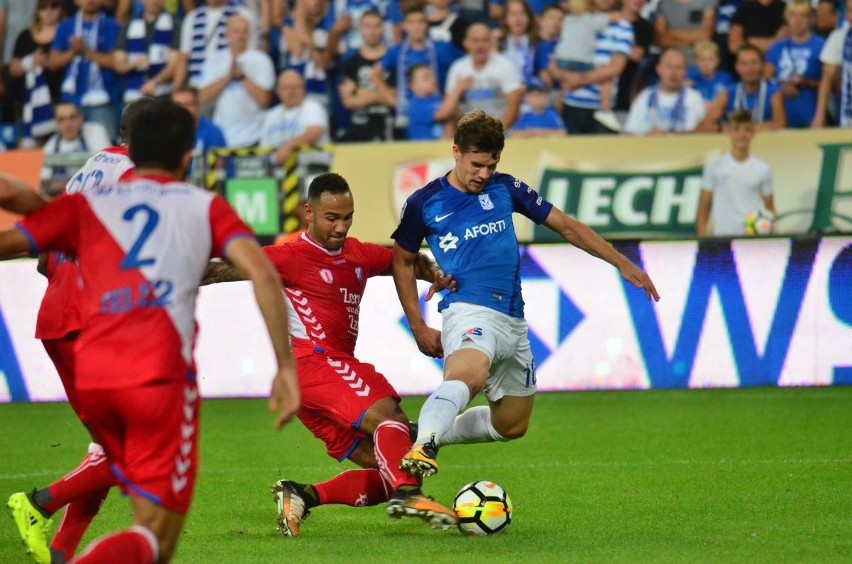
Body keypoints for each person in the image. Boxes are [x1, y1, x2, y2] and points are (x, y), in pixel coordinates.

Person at [0, 97, 299, 563]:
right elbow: (260, 272)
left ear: (128, 144)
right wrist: (285, 366)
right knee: (155, 535)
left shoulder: (87, 199)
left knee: (117, 469)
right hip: (156, 377)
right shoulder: (201, 205)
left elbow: (30, 245)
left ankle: (59, 543)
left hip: (91, 366)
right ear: (186, 156)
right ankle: (45, 507)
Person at [390, 109, 659, 479]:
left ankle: (423, 433)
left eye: (491, 164)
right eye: (477, 164)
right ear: (456, 152)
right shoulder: (425, 203)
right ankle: (425, 447)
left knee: (511, 425)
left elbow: (565, 226)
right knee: (468, 374)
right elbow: (401, 262)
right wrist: (418, 325)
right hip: (469, 310)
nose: (483, 174)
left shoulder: (505, 187)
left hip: (514, 320)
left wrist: (620, 262)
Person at [202, 172, 459, 535]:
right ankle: (408, 495)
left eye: (348, 217)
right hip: (318, 364)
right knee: (391, 418)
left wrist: (434, 270)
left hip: (317, 385)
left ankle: (303, 495)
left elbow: (408, 261)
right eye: (331, 218)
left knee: (396, 462)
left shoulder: (358, 253)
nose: (341, 227)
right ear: (309, 212)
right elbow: (220, 269)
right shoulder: (290, 256)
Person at [7, 97, 146, 564]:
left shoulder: (88, 169)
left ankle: (63, 552)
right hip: (92, 321)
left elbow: (46, 255)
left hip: (59, 316)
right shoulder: (135, 178)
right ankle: (38, 502)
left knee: (110, 448)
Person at [47, 0, 121, 142]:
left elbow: (116, 63)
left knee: (105, 147)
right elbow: (53, 62)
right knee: (69, 148)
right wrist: (73, 52)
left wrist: (85, 51)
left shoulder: (111, 25)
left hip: (103, 102)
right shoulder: (65, 26)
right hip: (70, 102)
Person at [199, 13, 275, 148]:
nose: (241, 36)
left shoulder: (261, 60)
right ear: (226, 34)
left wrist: (241, 77)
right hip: (222, 137)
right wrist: (227, 77)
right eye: (236, 31)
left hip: (253, 136)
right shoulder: (214, 61)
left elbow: (265, 100)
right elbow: (202, 97)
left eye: (245, 31)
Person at [695, 109, 775, 237]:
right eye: (737, 130)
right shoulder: (715, 166)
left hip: (751, 241)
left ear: (753, 133)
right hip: (722, 239)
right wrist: (703, 239)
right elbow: (704, 208)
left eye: (747, 130)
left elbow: (770, 209)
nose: (742, 135)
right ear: (729, 132)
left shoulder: (762, 169)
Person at [549, 0, 621, 131]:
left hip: (562, 60)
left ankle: (568, 87)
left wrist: (568, 78)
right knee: (604, 72)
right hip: (580, 65)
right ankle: (606, 111)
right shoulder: (592, 20)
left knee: (565, 84)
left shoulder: (567, 20)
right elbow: (614, 17)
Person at [444, 22, 524, 130]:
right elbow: (449, 108)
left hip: (502, 131)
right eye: (475, 41)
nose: (480, 46)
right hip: (468, 134)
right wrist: (459, 89)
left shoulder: (506, 66)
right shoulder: (457, 69)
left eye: (485, 40)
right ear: (465, 43)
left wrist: (497, 134)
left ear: (491, 43)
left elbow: (514, 106)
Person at [8, 0, 65, 145]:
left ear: (61, 9)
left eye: (54, 6)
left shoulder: (66, 32)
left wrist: (47, 62)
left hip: (58, 100)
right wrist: (30, 62)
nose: (49, 11)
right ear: (37, 11)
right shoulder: (25, 36)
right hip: (28, 102)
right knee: (27, 150)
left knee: (56, 145)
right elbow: (13, 69)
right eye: (44, 7)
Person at [763, 0, 824, 129]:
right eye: (793, 16)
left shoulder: (821, 45)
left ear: (810, 20)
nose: (797, 21)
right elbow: (766, 79)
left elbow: (830, 83)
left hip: (810, 113)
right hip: (781, 115)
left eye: (802, 16)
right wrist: (781, 87)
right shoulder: (777, 47)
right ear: (787, 19)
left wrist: (807, 83)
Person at [623, 48, 707, 135]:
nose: (674, 73)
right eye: (669, 67)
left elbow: (705, 132)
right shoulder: (645, 96)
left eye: (678, 68)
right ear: (659, 69)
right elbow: (630, 132)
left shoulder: (694, 98)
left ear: (685, 72)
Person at [113, 0, 181, 103]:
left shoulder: (175, 24)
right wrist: (133, 64)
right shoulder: (128, 25)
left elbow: (175, 63)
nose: (154, 1)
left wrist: (155, 82)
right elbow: (118, 64)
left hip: (163, 94)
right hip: (133, 96)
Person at [260, 70, 329, 165]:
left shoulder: (313, 107)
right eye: (286, 88)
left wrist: (289, 147)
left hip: (312, 170)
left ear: (304, 89)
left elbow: (314, 132)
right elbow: (264, 149)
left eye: (296, 87)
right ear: (278, 91)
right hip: (279, 171)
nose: (291, 91)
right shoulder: (271, 115)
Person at [712, 44, 786, 131]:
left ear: (763, 65)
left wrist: (743, 129)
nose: (749, 69)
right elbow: (706, 124)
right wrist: (723, 129)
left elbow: (779, 124)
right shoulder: (727, 93)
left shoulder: (773, 92)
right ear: (737, 67)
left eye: (754, 63)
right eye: (744, 64)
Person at [41, 101, 112, 188]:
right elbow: (45, 183)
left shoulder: (96, 132)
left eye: (72, 117)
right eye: (62, 119)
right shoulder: (48, 148)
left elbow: (109, 167)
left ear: (80, 119)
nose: (68, 124)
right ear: (55, 123)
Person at [812, 0, 852, 129]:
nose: (849, 16)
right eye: (848, 10)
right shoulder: (839, 38)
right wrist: (819, 116)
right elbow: (827, 79)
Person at [405, 63, 470, 140]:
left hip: (440, 147)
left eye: (432, 76)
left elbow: (453, 117)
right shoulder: (416, 105)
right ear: (413, 85)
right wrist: (458, 89)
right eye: (426, 78)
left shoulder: (437, 101)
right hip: (424, 150)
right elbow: (444, 113)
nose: (432, 80)